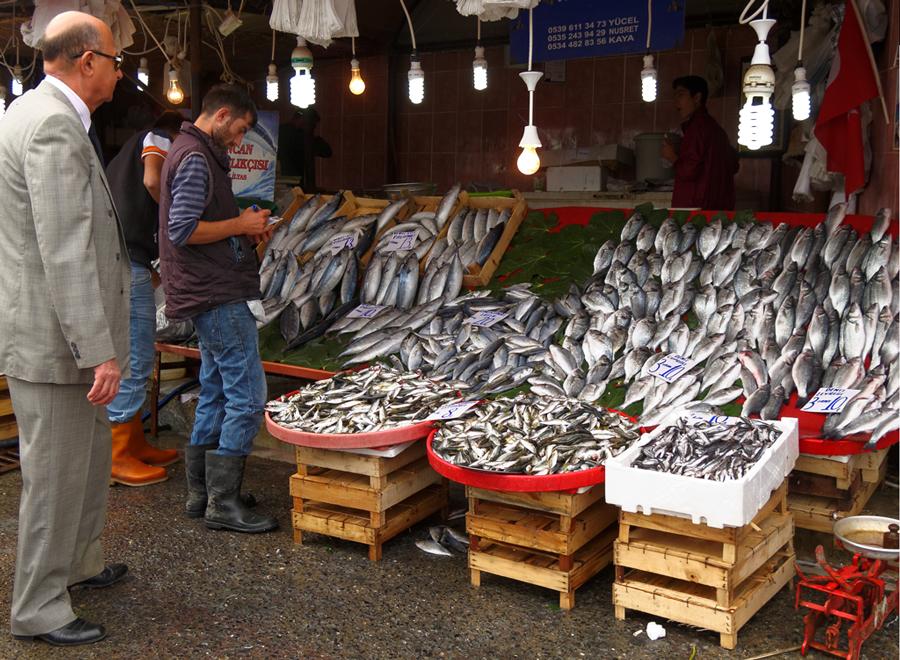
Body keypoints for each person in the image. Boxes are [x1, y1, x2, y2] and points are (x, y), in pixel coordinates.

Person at [0, 11, 130, 647]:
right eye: (114, 60)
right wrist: (96, 348)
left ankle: (77, 565)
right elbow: (64, 246)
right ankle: (39, 607)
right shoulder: (53, 123)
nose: (117, 72)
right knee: (53, 475)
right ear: (86, 61)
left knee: (84, 458)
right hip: (57, 343)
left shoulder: (29, 112)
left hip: (52, 335)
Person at [158, 84, 278, 534]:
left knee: (214, 389)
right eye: (241, 129)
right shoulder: (194, 157)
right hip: (217, 293)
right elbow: (183, 229)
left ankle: (202, 493)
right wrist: (241, 224)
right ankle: (223, 504)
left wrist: (239, 231)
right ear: (222, 115)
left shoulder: (192, 150)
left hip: (207, 288)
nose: (240, 140)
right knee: (247, 395)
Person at [105, 111, 184, 486]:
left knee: (135, 352)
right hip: (126, 261)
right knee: (136, 356)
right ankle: (117, 455)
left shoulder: (122, 154)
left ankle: (133, 441)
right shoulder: (158, 136)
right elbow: (154, 179)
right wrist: (175, 220)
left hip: (124, 258)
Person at [661, 75, 739, 210]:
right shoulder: (716, 129)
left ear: (697, 98)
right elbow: (734, 165)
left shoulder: (697, 128)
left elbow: (688, 170)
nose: (676, 102)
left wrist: (672, 156)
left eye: (681, 95)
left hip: (696, 207)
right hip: (717, 208)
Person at [278, 108, 332, 191]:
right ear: (304, 121)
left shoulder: (279, 131)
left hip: (279, 182)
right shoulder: (302, 138)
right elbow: (327, 152)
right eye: (312, 125)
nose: (313, 128)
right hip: (292, 184)